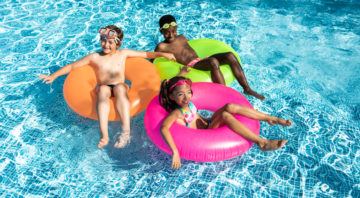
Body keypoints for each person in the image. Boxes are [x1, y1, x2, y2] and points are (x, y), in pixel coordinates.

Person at [40, 25, 175, 149]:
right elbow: (72, 66)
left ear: (118, 44)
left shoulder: (123, 54)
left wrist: (164, 54)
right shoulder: (94, 57)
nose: (106, 44)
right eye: (103, 40)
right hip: (104, 87)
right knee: (103, 89)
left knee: (120, 88)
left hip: (120, 86)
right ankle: (104, 135)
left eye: (110, 42)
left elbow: (146, 54)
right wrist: (54, 76)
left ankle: (125, 132)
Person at [159, 75, 292, 169]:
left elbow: (179, 87)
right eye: (180, 95)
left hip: (209, 122)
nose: (186, 97)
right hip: (207, 133)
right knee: (225, 114)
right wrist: (175, 151)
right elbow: (164, 127)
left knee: (229, 106)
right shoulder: (177, 113)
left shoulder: (188, 103)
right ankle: (262, 142)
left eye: (188, 92)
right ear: (171, 96)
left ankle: (271, 118)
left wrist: (181, 74)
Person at [154, 15, 265, 100]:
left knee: (230, 56)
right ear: (161, 31)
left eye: (173, 31)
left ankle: (247, 88)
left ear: (177, 27)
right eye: (167, 33)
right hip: (192, 66)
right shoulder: (162, 46)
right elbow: (154, 59)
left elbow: (192, 47)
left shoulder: (182, 37)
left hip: (202, 60)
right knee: (213, 61)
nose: (171, 35)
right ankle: (226, 95)